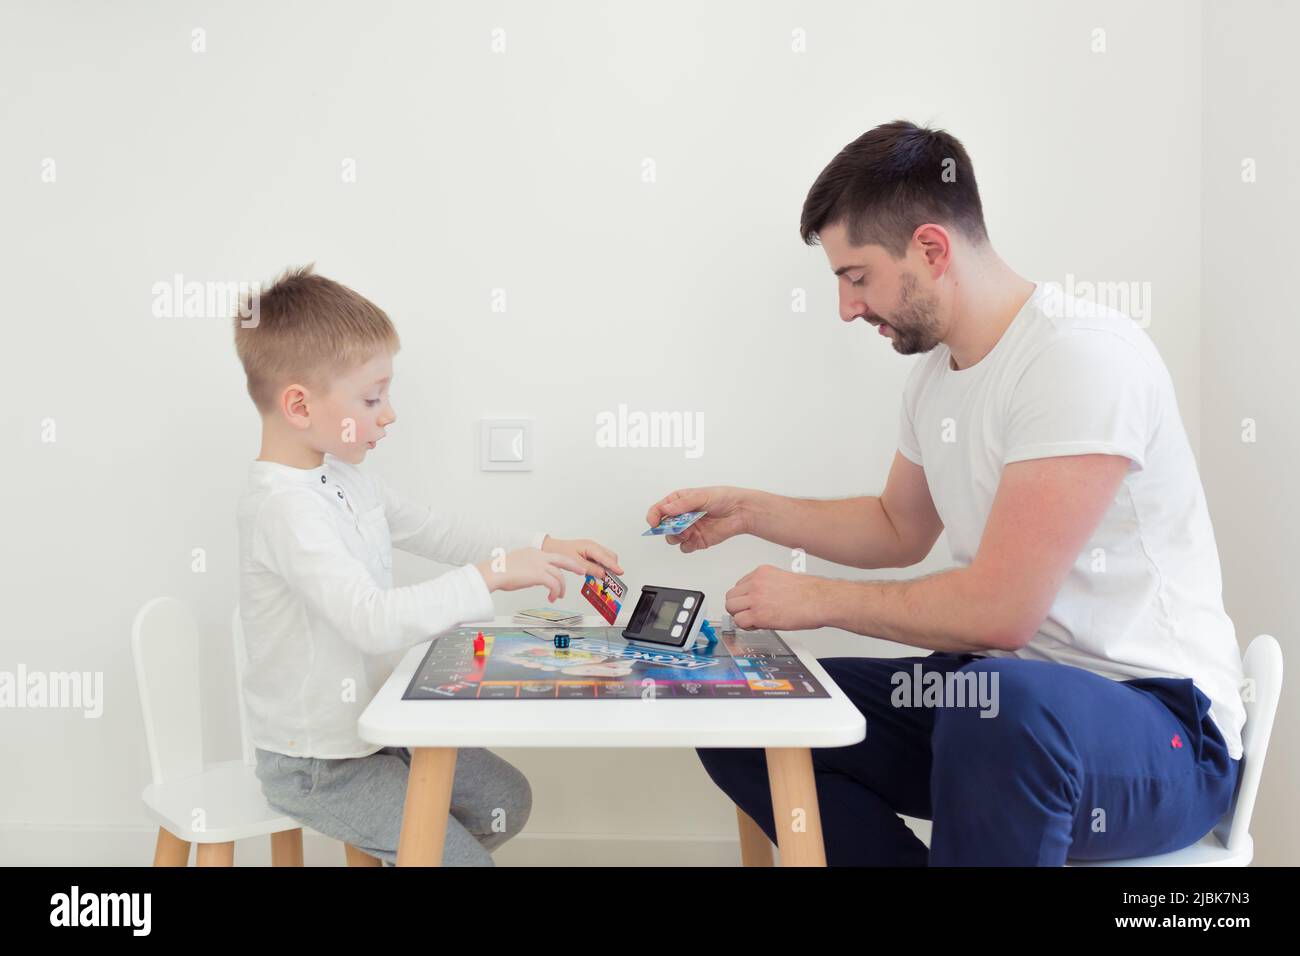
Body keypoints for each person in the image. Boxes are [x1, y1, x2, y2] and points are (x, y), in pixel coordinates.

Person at [647, 121, 1245, 866]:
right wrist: (752, 511)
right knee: (750, 715)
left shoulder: (1080, 359)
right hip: (992, 704)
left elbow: (999, 613)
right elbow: (898, 526)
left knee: (1001, 706)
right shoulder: (935, 381)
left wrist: (820, 600)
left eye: (856, 276)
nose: (846, 308)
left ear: (930, 249)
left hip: (1160, 732)